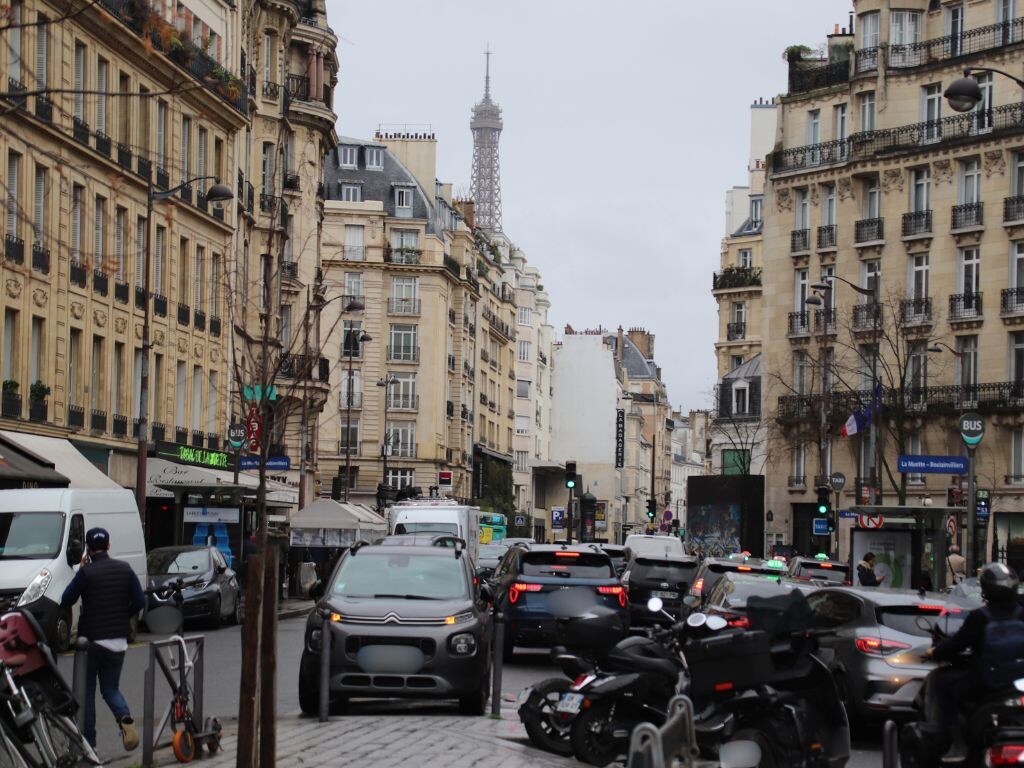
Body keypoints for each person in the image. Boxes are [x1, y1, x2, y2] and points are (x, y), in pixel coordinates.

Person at [920, 563, 1024, 759]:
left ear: (985, 589)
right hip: (1018, 682)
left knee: (942, 683)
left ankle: (957, 741)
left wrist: (934, 652)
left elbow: (956, 644)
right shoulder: (1022, 614)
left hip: (985, 683)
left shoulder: (980, 617)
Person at [60, 527, 145, 751]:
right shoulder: (125, 569)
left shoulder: (87, 573)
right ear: (108, 546)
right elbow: (139, 602)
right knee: (110, 690)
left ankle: (90, 744)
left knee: (87, 692)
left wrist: (81, 569)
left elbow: (67, 598)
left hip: (92, 641)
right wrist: (122, 615)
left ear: (88, 548)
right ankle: (125, 718)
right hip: (118, 641)